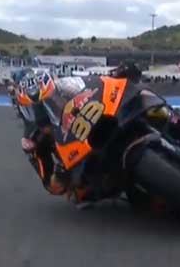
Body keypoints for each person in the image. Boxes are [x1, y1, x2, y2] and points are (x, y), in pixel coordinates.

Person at [18, 62, 143, 207]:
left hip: (100, 120)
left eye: (47, 102)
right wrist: (61, 176)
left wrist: (118, 74)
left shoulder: (67, 87)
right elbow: (51, 185)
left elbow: (94, 84)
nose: (41, 115)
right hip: (81, 164)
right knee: (80, 195)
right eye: (34, 109)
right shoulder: (33, 140)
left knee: (137, 97)